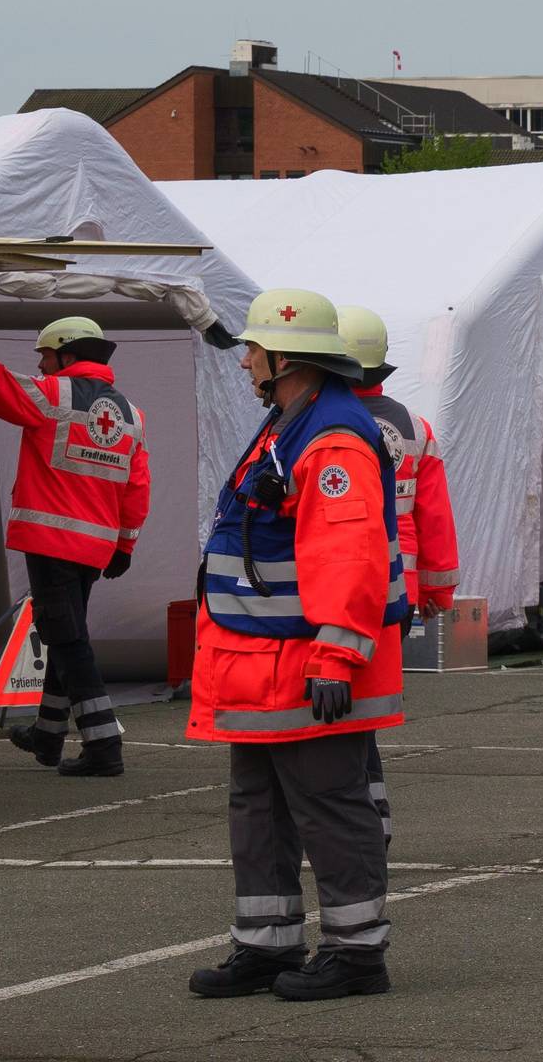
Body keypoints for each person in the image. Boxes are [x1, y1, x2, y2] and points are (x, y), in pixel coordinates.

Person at [185, 289, 406, 1003]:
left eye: (253, 349)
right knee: (259, 805)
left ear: (285, 358)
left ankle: (357, 952)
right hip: (263, 661)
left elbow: (351, 553)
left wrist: (338, 654)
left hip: (307, 664)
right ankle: (265, 944)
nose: (245, 360)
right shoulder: (292, 422)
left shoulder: (331, 435)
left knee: (328, 805)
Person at [0, 313, 152, 778]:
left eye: (45, 355)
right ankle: (47, 735)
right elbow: (137, 483)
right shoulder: (130, 413)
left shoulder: (52, 395)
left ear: (67, 353)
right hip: (97, 546)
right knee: (64, 633)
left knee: (68, 638)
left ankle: (104, 745)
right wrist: (124, 543)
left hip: (52, 540)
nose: (42, 365)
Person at [333, 304, 458, 846]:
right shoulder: (415, 428)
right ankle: (373, 813)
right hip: (398, 592)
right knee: (370, 705)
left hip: (338, 589)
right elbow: (434, 517)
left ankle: (359, 816)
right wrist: (437, 590)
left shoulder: (323, 422)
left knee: (338, 710)